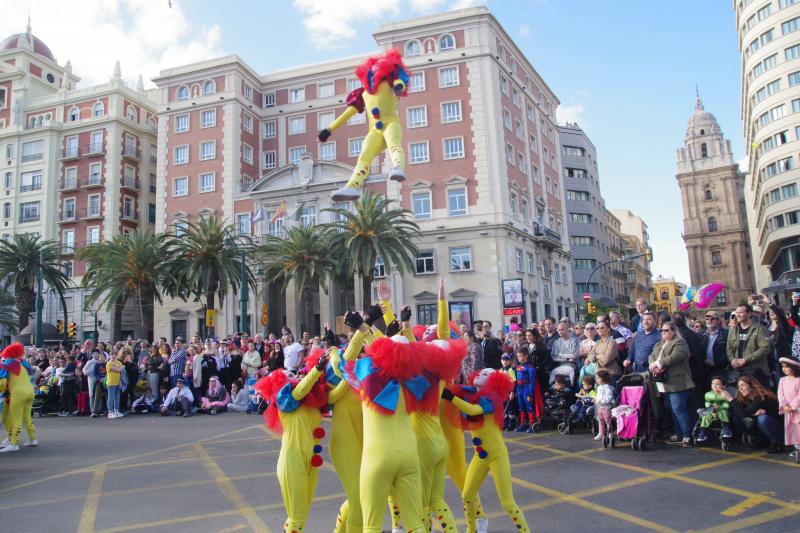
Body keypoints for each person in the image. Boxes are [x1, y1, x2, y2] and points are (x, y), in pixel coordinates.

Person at [441, 368, 531, 533]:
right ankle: (471, 530)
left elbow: (473, 411)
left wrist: (451, 397)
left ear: (493, 380)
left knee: (507, 503)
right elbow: (465, 399)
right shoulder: (474, 395)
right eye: (480, 372)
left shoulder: (492, 398)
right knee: (467, 495)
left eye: (486, 374)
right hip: (480, 456)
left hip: (497, 455)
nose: (481, 373)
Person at [649, 321, 695, 447]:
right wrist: (652, 364)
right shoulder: (659, 344)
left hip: (677, 382)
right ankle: (679, 434)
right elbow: (651, 356)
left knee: (679, 409)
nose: (664, 332)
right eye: (662, 330)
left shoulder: (680, 342)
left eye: (667, 330)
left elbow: (676, 356)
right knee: (672, 410)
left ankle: (687, 436)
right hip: (663, 383)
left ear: (674, 331)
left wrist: (659, 364)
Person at [731, 375, 783, 452]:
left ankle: (777, 443)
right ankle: (761, 439)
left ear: (752, 386)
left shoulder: (762, 397)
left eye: (743, 385)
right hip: (764, 428)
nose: (740, 389)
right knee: (736, 418)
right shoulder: (746, 398)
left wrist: (731, 399)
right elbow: (737, 412)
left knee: (762, 418)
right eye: (739, 386)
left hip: (780, 427)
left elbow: (745, 413)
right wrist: (753, 414)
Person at [727, 304, 772, 385]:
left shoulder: (760, 329)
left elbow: (765, 349)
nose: (737, 315)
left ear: (749, 313)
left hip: (756, 371)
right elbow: (729, 348)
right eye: (736, 312)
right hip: (738, 371)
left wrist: (745, 359)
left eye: (740, 312)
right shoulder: (733, 330)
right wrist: (732, 359)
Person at [696, 377, 732, 442]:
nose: (714, 386)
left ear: (723, 386)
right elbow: (707, 402)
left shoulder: (725, 394)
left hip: (721, 410)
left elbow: (727, 404)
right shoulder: (708, 394)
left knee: (723, 412)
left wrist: (719, 407)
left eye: (717, 384)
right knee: (705, 414)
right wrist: (709, 406)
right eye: (713, 383)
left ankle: (727, 429)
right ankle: (702, 432)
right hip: (711, 410)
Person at [777, 357, 800, 459]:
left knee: (798, 428)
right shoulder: (782, 380)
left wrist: (793, 406)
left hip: (797, 410)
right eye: (783, 367)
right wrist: (784, 405)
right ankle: (796, 447)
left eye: (787, 367)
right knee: (791, 428)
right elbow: (780, 394)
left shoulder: (798, 380)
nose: (784, 369)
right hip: (788, 410)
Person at [513, 347, 537, 433]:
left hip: (526, 387)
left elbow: (532, 382)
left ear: (526, 356)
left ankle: (531, 424)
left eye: (521, 356)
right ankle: (523, 424)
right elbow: (515, 380)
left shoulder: (530, 368)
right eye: (518, 356)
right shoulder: (517, 367)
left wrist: (530, 394)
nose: (519, 358)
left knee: (529, 407)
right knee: (521, 407)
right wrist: (515, 391)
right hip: (519, 389)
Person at [593, 370, 614, 442]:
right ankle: (601, 433)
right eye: (596, 378)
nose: (596, 380)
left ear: (604, 379)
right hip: (600, 407)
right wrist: (595, 399)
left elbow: (609, 398)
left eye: (598, 378)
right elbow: (598, 396)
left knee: (608, 421)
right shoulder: (599, 387)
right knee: (600, 420)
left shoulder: (608, 388)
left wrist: (601, 400)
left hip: (607, 408)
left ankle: (610, 434)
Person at [499, 353, 517, 431]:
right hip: (503, 392)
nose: (504, 362)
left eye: (506, 360)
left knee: (510, 409)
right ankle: (505, 423)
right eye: (503, 360)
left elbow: (514, 381)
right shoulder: (501, 370)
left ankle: (511, 424)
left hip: (509, 392)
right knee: (504, 408)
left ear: (510, 361)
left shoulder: (511, 370)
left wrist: (512, 392)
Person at [106, 351, 125, 419]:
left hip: (118, 382)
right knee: (111, 397)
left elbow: (122, 368)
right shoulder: (109, 363)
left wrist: (120, 368)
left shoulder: (118, 362)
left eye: (114, 355)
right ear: (110, 356)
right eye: (112, 355)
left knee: (117, 397)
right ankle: (110, 412)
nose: (113, 356)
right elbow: (118, 370)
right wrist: (120, 368)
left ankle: (116, 411)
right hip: (111, 382)